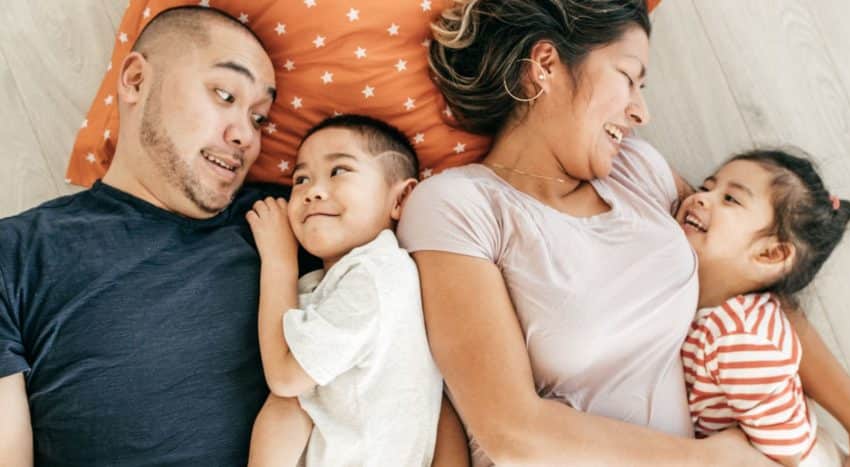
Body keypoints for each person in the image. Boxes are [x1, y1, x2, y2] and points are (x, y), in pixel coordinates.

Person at [398, 1, 778, 465]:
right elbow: (510, 431)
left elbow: (755, 271)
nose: (641, 112)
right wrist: (710, 460)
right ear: (545, 65)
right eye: (628, 78)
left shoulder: (636, 170)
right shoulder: (458, 206)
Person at [0, 7, 282, 466]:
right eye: (224, 95)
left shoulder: (288, 220)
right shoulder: (17, 254)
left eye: (260, 118)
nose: (245, 137)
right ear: (134, 79)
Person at [244, 115, 447, 467]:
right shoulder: (334, 280)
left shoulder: (378, 274)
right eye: (300, 179)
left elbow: (284, 376)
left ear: (400, 199)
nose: (313, 191)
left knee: (287, 401)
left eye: (339, 171)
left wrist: (278, 260)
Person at [677, 149, 850, 466]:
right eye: (707, 187)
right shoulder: (718, 314)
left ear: (770, 255)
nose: (700, 198)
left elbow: (785, 456)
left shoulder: (742, 338)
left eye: (730, 199)